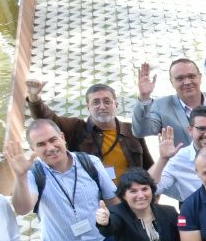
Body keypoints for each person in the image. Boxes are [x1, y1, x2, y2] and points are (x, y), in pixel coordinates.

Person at [23, 77, 153, 182]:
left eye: (107, 101)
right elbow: (49, 121)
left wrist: (152, 198)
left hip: (133, 201)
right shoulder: (76, 129)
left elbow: (149, 168)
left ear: (116, 105)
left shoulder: (131, 130)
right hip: (97, 206)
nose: (102, 106)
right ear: (88, 107)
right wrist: (35, 98)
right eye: (96, 102)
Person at [133, 58, 206, 149]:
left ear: (200, 77)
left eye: (191, 76)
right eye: (180, 78)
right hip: (188, 176)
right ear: (171, 82)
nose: (187, 82)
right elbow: (141, 131)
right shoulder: (161, 106)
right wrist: (144, 97)